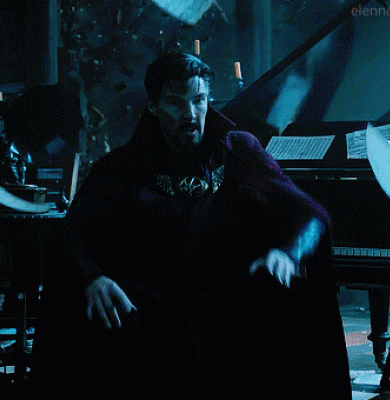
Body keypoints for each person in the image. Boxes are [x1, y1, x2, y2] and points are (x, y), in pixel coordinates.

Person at [30, 52, 351, 399]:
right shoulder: (122, 167)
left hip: (231, 309)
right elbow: (70, 233)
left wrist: (287, 254)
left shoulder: (239, 151)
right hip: (152, 315)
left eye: (199, 100)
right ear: (153, 106)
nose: (190, 113)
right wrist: (93, 277)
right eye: (175, 102)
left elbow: (309, 213)